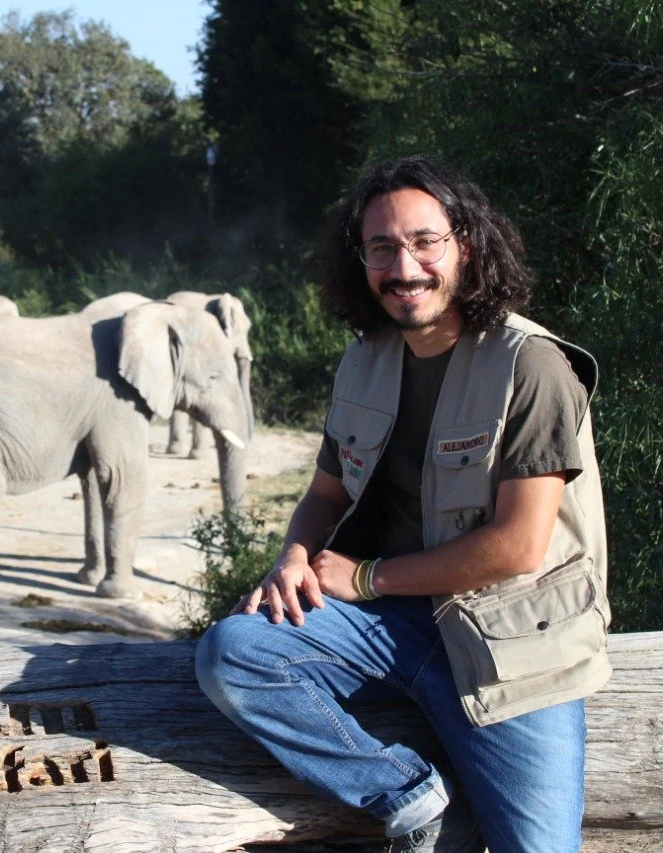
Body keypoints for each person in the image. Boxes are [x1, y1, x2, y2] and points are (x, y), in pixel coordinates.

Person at [194, 155, 610, 853]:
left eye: (425, 241)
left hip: (512, 645)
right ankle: (413, 797)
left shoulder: (531, 365)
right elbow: (326, 493)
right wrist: (294, 557)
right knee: (232, 654)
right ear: (359, 259)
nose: (404, 266)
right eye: (381, 247)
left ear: (467, 244)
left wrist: (362, 578)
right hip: (392, 626)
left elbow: (518, 546)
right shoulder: (365, 358)